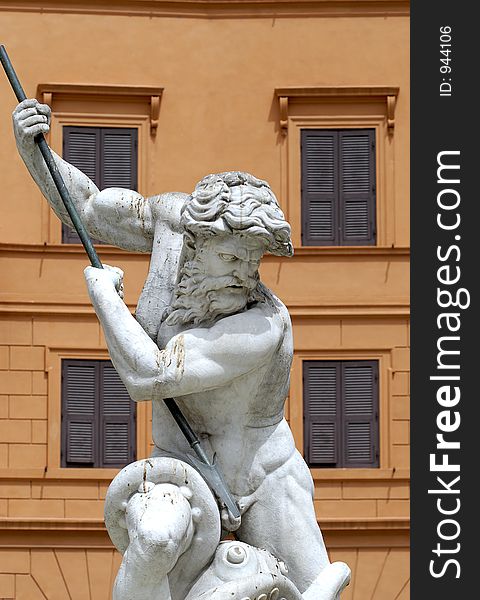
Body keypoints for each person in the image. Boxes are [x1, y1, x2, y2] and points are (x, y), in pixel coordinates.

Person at [13, 99, 350, 599]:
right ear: (197, 241)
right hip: (183, 471)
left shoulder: (263, 324)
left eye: (253, 262)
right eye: (233, 257)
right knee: (151, 545)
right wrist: (32, 148)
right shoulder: (172, 222)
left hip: (265, 480)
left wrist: (107, 298)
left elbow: (148, 377)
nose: (245, 274)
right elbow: (86, 207)